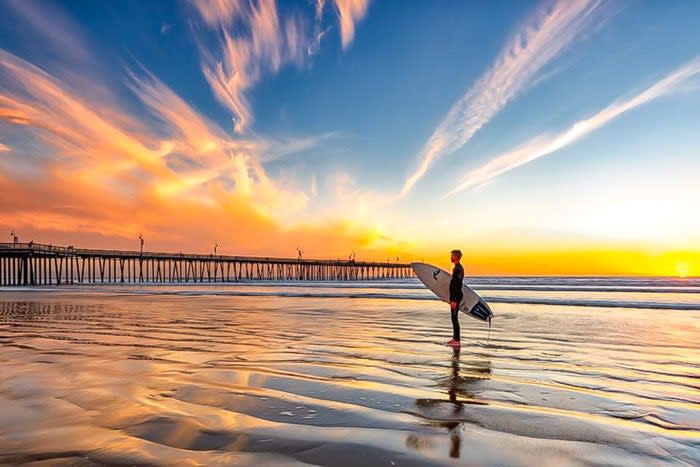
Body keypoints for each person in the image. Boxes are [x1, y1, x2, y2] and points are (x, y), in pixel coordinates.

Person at [447, 249, 464, 347]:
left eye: (452, 256)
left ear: (456, 257)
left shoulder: (458, 269)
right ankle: (455, 338)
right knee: (454, 318)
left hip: (456, 296)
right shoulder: (457, 268)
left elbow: (456, 285)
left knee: (454, 318)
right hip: (455, 296)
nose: (451, 257)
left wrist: (453, 299)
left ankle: (457, 340)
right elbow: (454, 285)